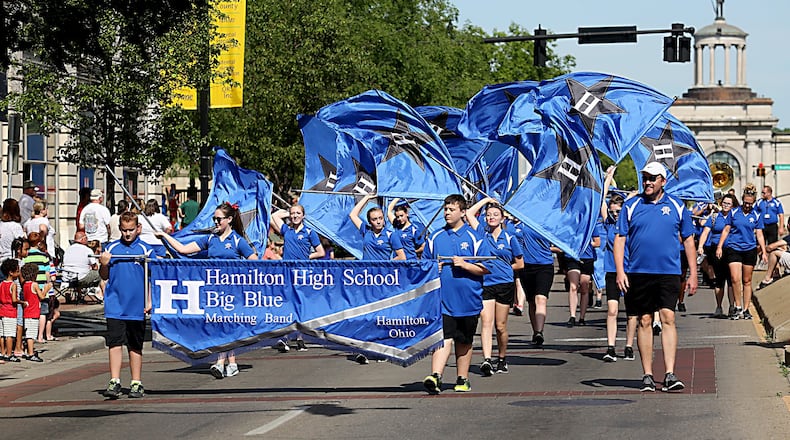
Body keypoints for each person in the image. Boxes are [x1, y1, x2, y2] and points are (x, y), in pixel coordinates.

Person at [614, 162, 698, 393]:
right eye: (645, 178)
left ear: (663, 181)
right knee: (644, 320)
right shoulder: (631, 205)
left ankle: (670, 373)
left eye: (652, 178)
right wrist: (620, 271)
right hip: (639, 273)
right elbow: (620, 238)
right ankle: (648, 374)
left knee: (668, 317)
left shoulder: (677, 206)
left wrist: (692, 272)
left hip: (669, 272)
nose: (648, 182)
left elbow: (689, 239)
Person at [157, 202, 258, 379]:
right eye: (214, 219)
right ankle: (229, 362)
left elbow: (254, 260)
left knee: (227, 324)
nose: (216, 222)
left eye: (219, 219)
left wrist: (240, 274)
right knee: (217, 324)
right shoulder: (210, 239)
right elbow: (183, 249)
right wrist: (166, 237)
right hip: (212, 290)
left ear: (229, 219)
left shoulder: (237, 240)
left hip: (231, 290)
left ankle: (222, 362)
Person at [422, 194, 490, 394]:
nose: (447, 213)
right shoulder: (435, 237)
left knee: (464, 340)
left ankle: (462, 378)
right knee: (444, 336)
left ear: (462, 212)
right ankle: (436, 375)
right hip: (442, 299)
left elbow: (485, 268)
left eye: (451, 210)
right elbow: (424, 266)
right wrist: (434, 268)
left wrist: (465, 265)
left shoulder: (475, 238)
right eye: (445, 209)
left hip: (469, 299)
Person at [99, 212, 153, 398]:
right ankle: (114, 380)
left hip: (136, 306)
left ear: (138, 228)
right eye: (124, 230)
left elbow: (153, 278)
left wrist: (150, 300)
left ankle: (136, 382)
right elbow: (104, 275)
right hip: (115, 304)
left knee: (135, 345)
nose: (127, 234)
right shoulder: (111, 248)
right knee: (115, 343)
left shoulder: (146, 250)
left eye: (131, 230)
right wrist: (104, 264)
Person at [466, 197, 523, 376]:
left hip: (505, 283)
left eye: (495, 215)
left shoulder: (510, 237)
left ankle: (502, 357)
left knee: (501, 326)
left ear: (502, 218)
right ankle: (487, 359)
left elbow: (520, 264)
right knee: (486, 322)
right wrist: (485, 200)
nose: (491, 217)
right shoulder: (482, 233)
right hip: (486, 283)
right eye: (489, 215)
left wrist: (505, 268)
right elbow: (468, 213)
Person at [270, 204, 325, 352]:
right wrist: (287, 213)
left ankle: (300, 338)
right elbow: (274, 217)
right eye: (293, 213)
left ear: (303, 216)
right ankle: (285, 337)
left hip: (303, 273)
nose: (294, 216)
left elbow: (320, 252)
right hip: (287, 273)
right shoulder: (286, 230)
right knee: (288, 305)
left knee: (300, 306)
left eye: (298, 213)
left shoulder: (309, 232)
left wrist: (306, 257)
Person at [600, 166, 637, 362]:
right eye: (613, 211)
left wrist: (633, 196)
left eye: (618, 211)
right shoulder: (608, 223)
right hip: (612, 271)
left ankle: (629, 345)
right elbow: (601, 201)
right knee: (612, 309)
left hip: (630, 270)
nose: (615, 214)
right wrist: (608, 179)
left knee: (632, 312)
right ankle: (611, 346)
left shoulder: (630, 225)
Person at [716, 190, 768, 320]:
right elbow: (726, 229)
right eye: (745, 203)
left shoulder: (756, 215)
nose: (747, 206)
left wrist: (764, 251)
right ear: (742, 201)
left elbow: (759, 234)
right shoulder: (734, 213)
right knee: (734, 278)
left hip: (749, 249)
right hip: (734, 248)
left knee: (747, 280)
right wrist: (719, 246)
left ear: (753, 203)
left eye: (750, 204)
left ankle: (746, 309)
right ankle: (737, 306)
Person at [513, 221, 553, 348]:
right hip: (526, 266)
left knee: (540, 298)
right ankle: (535, 330)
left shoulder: (546, 223)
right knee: (531, 301)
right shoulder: (518, 226)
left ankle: (539, 332)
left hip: (545, 265)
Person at [697, 194, 737, 317]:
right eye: (724, 203)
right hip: (716, 251)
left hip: (731, 250)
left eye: (728, 204)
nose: (725, 205)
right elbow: (705, 231)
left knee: (731, 279)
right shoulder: (715, 217)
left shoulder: (735, 217)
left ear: (733, 205)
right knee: (719, 279)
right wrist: (700, 246)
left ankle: (732, 306)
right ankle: (719, 307)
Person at [564, 224, 602, 327]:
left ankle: (582, 317)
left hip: (587, 258)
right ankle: (572, 316)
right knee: (573, 286)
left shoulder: (591, 224)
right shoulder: (570, 224)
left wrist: (585, 243)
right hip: (573, 257)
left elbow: (598, 242)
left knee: (584, 287)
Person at [349, 194, 406, 261]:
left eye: (380, 218)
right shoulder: (366, 230)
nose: (378, 221)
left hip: (382, 270)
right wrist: (367, 197)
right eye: (374, 219)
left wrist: (384, 265)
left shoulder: (391, 235)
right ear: (369, 221)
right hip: (366, 270)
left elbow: (402, 257)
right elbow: (352, 215)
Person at [20, 262, 50, 362]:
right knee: (31, 334)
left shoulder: (25, 285)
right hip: (33, 312)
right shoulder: (34, 284)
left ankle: (28, 351)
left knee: (28, 332)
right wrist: (46, 289)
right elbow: (41, 296)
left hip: (27, 311)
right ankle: (30, 353)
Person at [61, 231, 104, 300]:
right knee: (100, 273)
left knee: (79, 271)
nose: (87, 240)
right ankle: (103, 294)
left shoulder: (68, 249)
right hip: (80, 279)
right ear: (82, 239)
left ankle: (79, 295)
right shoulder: (87, 250)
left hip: (66, 278)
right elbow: (95, 267)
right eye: (86, 238)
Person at [0, 259, 22, 363]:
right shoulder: (13, 285)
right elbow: (14, 300)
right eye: (17, 271)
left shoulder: (1, 284)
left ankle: (2, 352)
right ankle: (9, 354)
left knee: (2, 334)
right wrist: (22, 302)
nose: (19, 273)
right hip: (10, 312)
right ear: (11, 272)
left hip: (2, 311)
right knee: (10, 335)